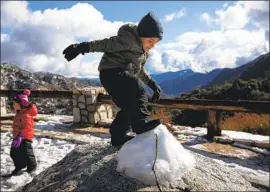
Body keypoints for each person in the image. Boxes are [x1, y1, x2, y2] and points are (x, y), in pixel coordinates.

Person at [63, 11, 163, 146]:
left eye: (155, 43)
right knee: (138, 89)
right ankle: (141, 123)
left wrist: (152, 84)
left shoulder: (143, 54)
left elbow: (139, 72)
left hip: (121, 77)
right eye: (150, 41)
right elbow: (104, 44)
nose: (152, 45)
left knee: (131, 105)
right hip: (110, 73)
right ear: (141, 35)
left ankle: (118, 136)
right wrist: (79, 47)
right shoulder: (127, 39)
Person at [10, 89, 38, 175]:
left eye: (15, 103)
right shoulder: (19, 113)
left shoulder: (26, 115)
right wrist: (16, 136)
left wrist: (20, 136)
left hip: (25, 138)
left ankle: (32, 166)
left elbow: (27, 127)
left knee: (27, 153)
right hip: (18, 136)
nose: (13, 105)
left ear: (21, 104)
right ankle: (20, 165)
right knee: (14, 152)